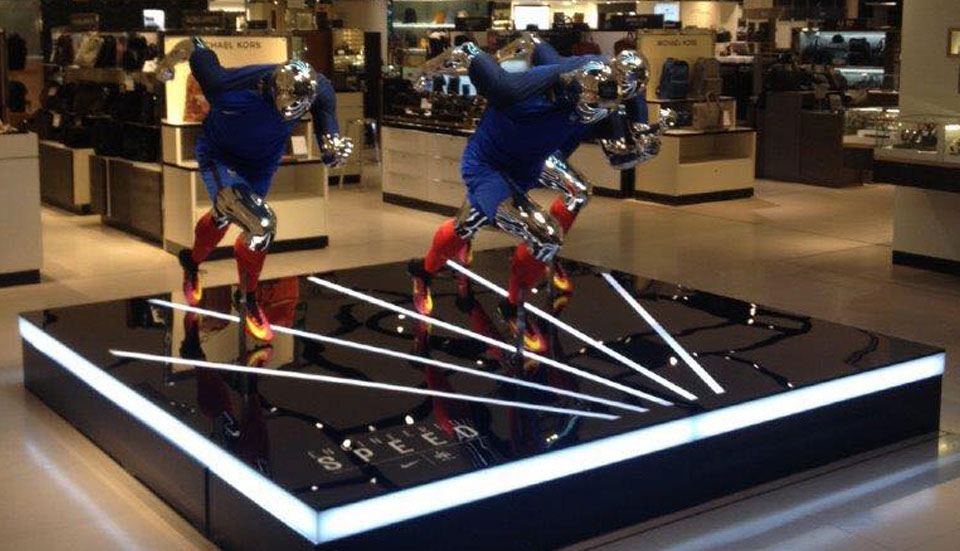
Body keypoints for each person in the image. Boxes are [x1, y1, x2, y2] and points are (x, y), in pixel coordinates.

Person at [408, 35, 669, 353]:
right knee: (537, 233)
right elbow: (474, 51)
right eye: (588, 108)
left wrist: (646, 146)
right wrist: (426, 72)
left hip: (533, 160)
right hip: (492, 165)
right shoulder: (517, 87)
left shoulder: (611, 93)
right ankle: (442, 277)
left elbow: (619, 157)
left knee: (567, 198)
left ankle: (519, 280)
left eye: (604, 108)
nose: (593, 116)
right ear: (572, 88)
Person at [156, 37, 353, 342]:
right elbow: (195, 45)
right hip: (220, 157)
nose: (289, 114)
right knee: (261, 224)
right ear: (272, 90)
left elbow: (328, 137)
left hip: (261, 164)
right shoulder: (225, 84)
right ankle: (247, 298)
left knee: (227, 215)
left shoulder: (320, 88)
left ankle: (191, 261)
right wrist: (168, 62)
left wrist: (334, 151)